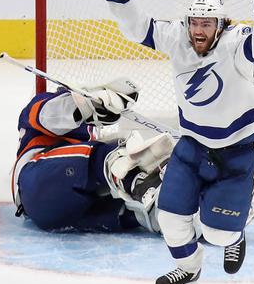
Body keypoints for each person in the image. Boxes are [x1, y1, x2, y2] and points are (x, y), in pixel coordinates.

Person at [98, 0, 254, 284]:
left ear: (221, 25)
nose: (199, 30)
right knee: (169, 215)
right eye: (195, 23)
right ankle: (188, 271)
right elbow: (137, 27)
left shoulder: (234, 43)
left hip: (237, 151)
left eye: (207, 24)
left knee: (218, 233)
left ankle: (235, 234)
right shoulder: (178, 38)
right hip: (193, 145)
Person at [12, 80, 172, 233]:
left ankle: (169, 214)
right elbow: (53, 114)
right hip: (36, 187)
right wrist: (86, 104)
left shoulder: (89, 134)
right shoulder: (40, 104)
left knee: (133, 211)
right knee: (110, 154)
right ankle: (139, 183)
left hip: (71, 208)